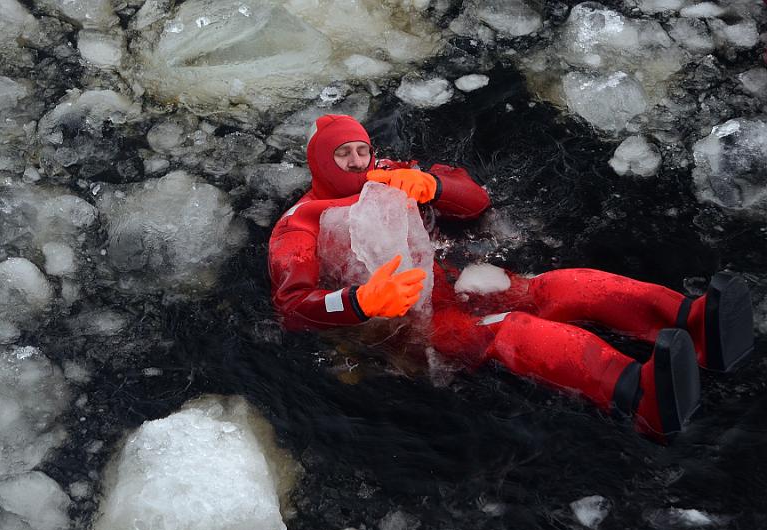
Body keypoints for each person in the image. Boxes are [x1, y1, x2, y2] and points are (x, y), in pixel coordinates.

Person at [268, 114, 754, 443]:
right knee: (511, 331)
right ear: (319, 162)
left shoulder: (387, 174)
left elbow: (476, 201)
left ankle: (691, 322)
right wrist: (361, 302)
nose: (357, 162)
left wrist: (433, 186)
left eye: (361, 150)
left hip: (449, 284)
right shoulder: (301, 224)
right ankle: (640, 396)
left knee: (555, 286)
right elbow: (292, 305)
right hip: (406, 329)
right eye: (343, 156)